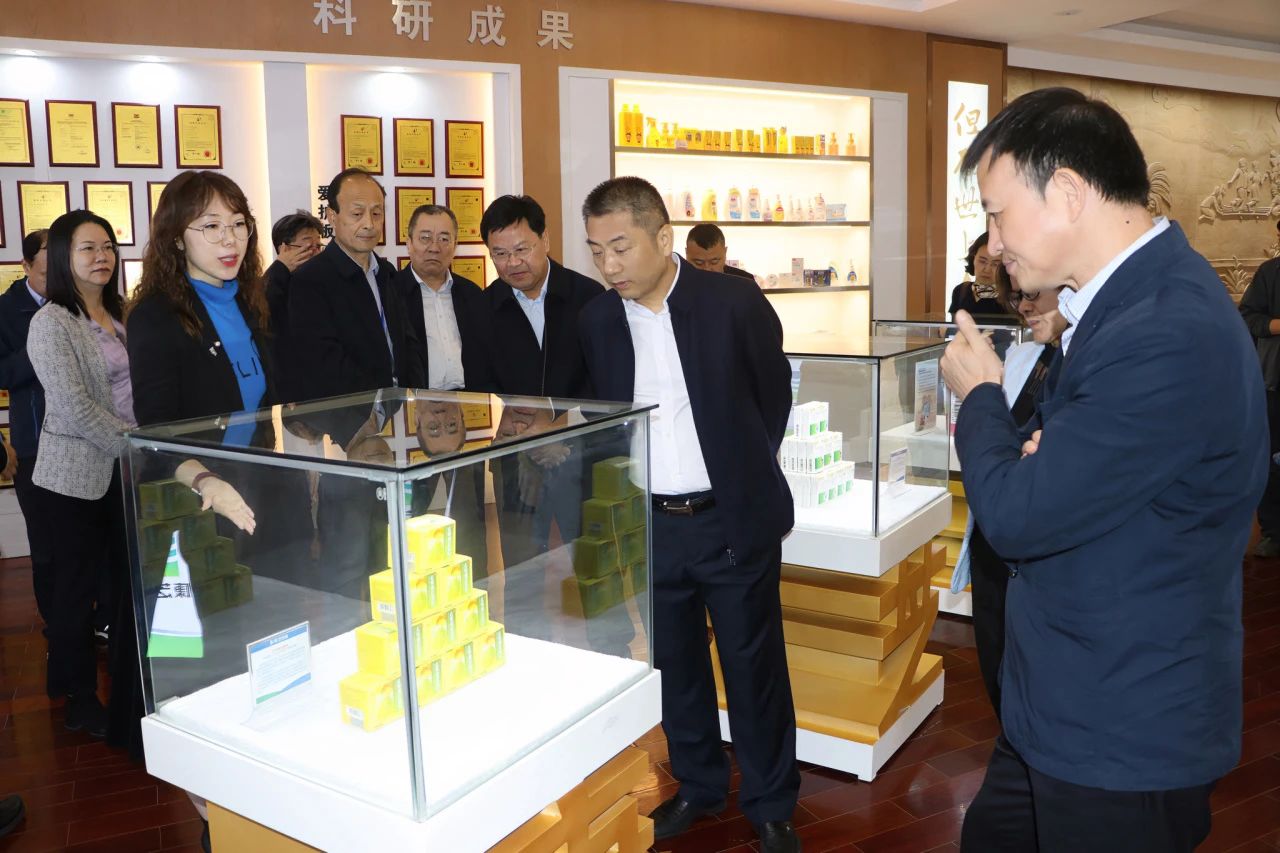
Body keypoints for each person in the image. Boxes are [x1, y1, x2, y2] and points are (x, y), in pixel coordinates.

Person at [940, 86, 1267, 852]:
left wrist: (981, 395)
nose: (993, 243)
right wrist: (1035, 461)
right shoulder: (1117, 305)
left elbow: (1018, 513)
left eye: (998, 214)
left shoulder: (1166, 327)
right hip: (1062, 703)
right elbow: (1051, 469)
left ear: (1067, 192)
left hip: (1123, 729)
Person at [579, 177, 800, 853]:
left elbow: (773, 395)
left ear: (663, 237)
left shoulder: (731, 301)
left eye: (621, 247)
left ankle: (771, 803)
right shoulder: (597, 320)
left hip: (728, 518)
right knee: (675, 666)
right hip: (651, 522)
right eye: (596, 250)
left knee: (752, 668)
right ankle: (700, 785)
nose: (609, 264)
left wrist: (740, 474)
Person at [286, 168, 423, 600]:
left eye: (377, 213)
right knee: (347, 551)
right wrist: (365, 414)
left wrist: (399, 399)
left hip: (389, 422)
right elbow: (321, 361)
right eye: (357, 212)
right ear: (333, 216)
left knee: (387, 547)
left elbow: (404, 343)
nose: (369, 223)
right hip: (343, 429)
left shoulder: (387, 274)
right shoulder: (311, 280)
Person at [27, 210, 134, 739]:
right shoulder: (51, 322)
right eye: (88, 248)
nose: (102, 257)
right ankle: (78, 697)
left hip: (126, 472)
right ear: (64, 258)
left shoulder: (123, 312)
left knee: (121, 585)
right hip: (74, 477)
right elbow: (72, 407)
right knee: (75, 594)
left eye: (108, 247)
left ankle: (126, 683)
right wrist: (135, 445)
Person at [478, 195, 602, 628]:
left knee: (594, 566)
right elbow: (482, 382)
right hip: (517, 456)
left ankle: (615, 653)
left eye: (522, 248)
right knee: (520, 572)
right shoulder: (486, 307)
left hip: (580, 454)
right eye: (499, 253)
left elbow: (604, 383)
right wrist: (528, 432)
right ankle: (525, 650)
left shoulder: (588, 298)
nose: (512, 263)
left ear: (545, 239)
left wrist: (559, 427)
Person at [949, 265, 1067, 718]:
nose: (1024, 307)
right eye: (1017, 297)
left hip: (1031, 544)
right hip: (993, 536)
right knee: (995, 661)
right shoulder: (1021, 356)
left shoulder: (1086, 365)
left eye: (1034, 294)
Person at [394, 203, 489, 576]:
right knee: (410, 515)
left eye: (444, 238)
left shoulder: (471, 294)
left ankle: (474, 582)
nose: (434, 246)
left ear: (455, 245)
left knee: (468, 515)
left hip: (467, 413)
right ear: (409, 242)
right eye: (425, 237)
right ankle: (410, 583)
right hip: (407, 416)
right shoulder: (392, 293)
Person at [0, 230, 49, 627]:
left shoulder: (79, 301)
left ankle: (100, 617)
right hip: (34, 442)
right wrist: (42, 343)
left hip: (85, 440)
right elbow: (4, 374)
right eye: (47, 273)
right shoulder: (5, 309)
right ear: (26, 266)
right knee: (46, 541)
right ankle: (55, 621)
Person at [1237, 218, 1280, 558]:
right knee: (1271, 459)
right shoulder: (1270, 273)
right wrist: (1276, 325)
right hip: (1274, 382)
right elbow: (1248, 317)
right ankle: (1273, 531)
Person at [265, 211, 324, 403]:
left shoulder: (323, 282)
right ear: (284, 249)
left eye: (318, 246)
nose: (315, 252)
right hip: (290, 394)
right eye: (307, 246)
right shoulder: (270, 285)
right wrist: (279, 268)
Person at [947, 232, 1009, 318]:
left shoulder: (1011, 296)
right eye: (982, 261)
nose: (987, 269)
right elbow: (952, 324)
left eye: (995, 264)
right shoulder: (961, 291)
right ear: (973, 258)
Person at [684, 223, 754, 280]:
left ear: (725, 252)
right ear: (686, 253)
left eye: (714, 262)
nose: (707, 269)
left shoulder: (744, 282)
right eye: (698, 263)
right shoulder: (678, 282)